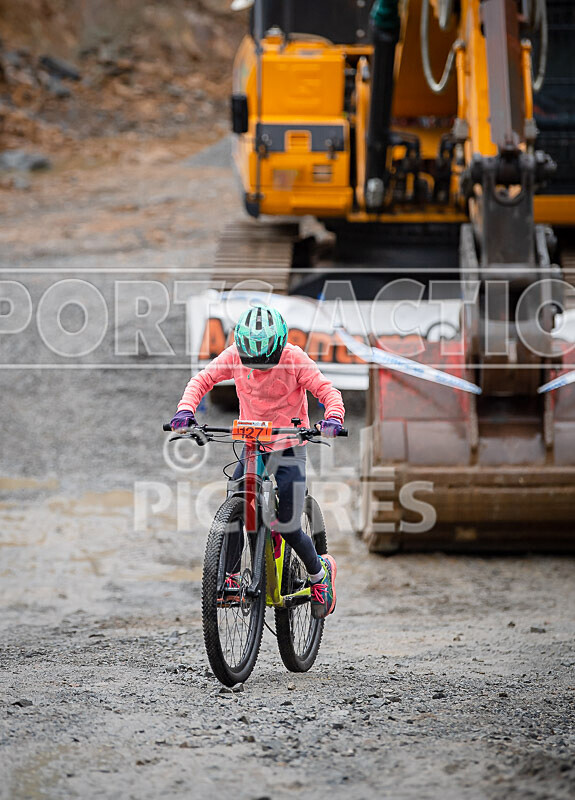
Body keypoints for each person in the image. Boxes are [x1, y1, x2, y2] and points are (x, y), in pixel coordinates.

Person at [170, 303, 345, 619]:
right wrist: (185, 410)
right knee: (236, 499)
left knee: (289, 525)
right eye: (253, 360)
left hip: (290, 446)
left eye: (267, 361)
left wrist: (333, 417)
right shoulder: (234, 356)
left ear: (280, 346)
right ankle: (230, 575)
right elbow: (202, 380)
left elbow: (327, 391)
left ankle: (320, 574)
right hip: (253, 445)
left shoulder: (294, 358)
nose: (261, 367)